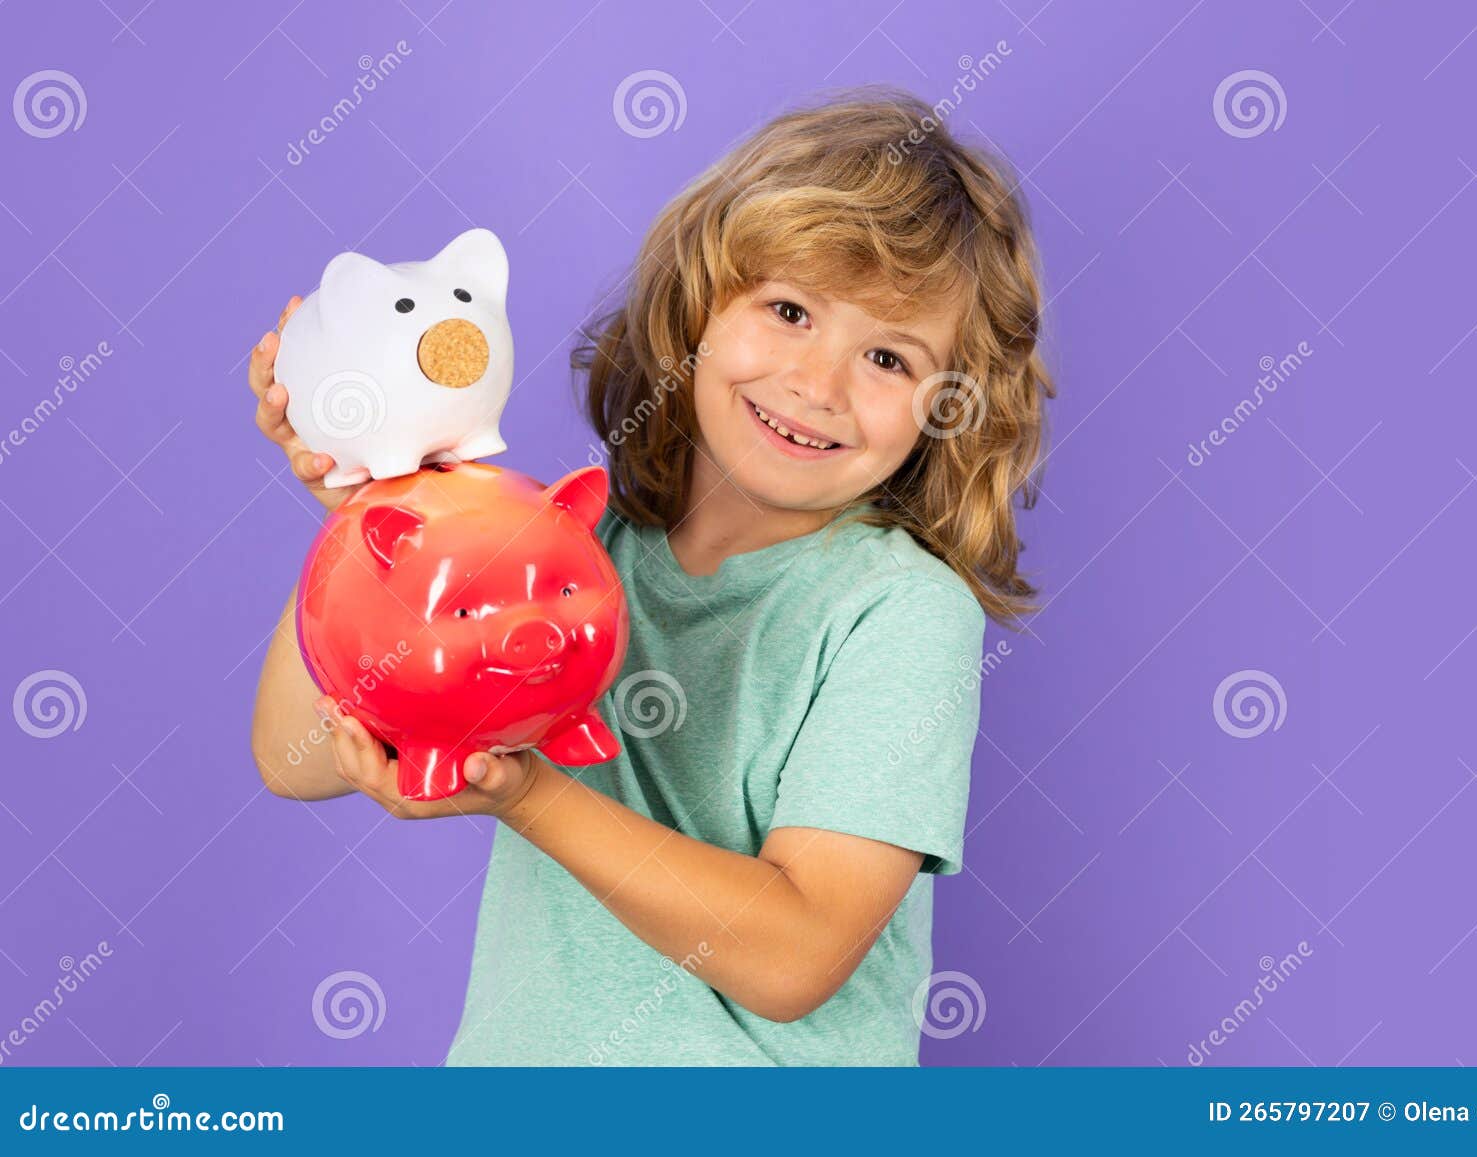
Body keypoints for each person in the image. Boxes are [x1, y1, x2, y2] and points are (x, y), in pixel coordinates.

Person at [248, 86, 1054, 1065]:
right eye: (789, 309)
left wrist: (529, 794)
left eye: (887, 355)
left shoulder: (895, 611)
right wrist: (372, 509)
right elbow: (295, 757)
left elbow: (795, 954)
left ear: (951, 404)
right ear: (696, 305)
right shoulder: (562, 551)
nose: (817, 383)